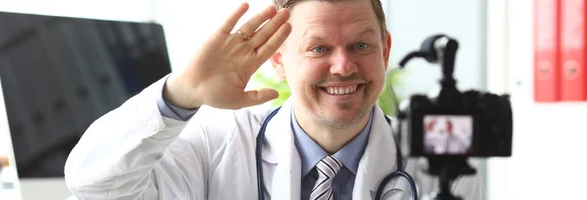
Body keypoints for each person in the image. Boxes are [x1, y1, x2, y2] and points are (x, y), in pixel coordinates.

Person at [64, 0, 485, 199]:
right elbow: (95, 185)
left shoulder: (438, 161)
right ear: (279, 61)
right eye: (318, 48)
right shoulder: (217, 145)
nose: (343, 67)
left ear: (385, 49)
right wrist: (179, 95)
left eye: (360, 45)